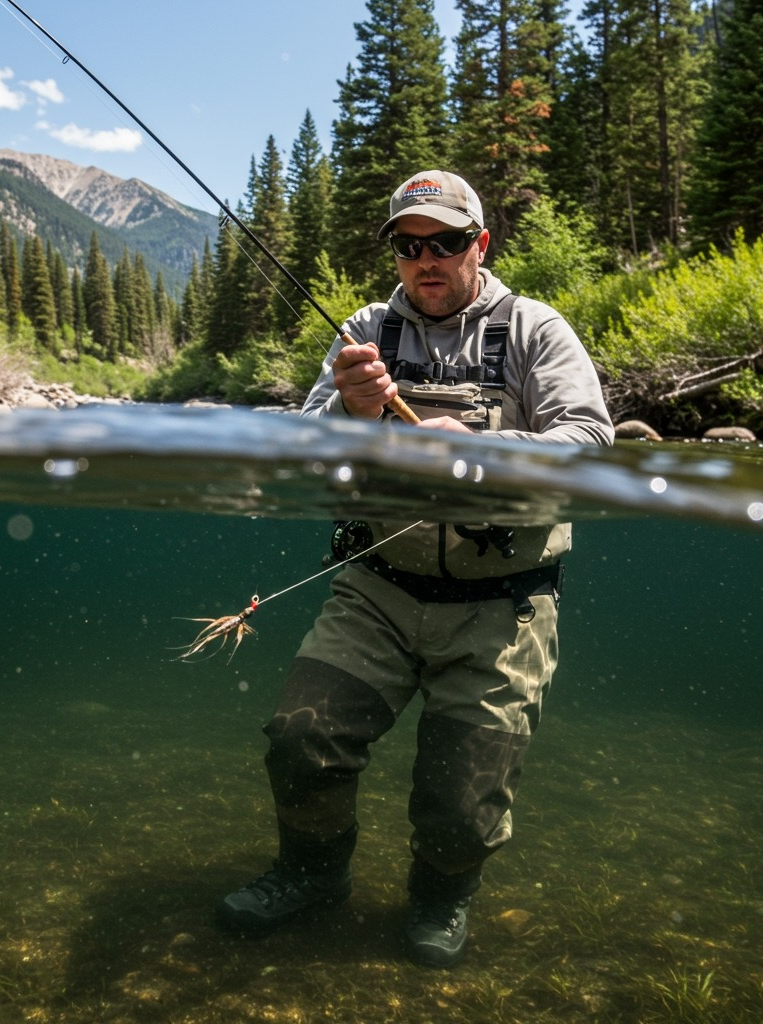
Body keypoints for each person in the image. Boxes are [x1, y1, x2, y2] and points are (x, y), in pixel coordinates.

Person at [215, 170, 614, 967]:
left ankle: (440, 895)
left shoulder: (535, 329)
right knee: (302, 739)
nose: (426, 259)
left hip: (504, 604)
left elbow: (590, 441)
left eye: (446, 242)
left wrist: (483, 450)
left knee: (462, 802)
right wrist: (351, 410)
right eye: (408, 245)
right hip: (378, 590)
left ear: (480, 244)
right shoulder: (365, 330)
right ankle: (314, 874)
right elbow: (308, 450)